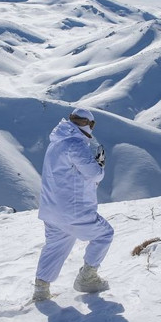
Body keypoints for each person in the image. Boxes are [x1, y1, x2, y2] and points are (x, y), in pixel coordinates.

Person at [33, 108, 113, 302]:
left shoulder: (55, 144)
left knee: (55, 246)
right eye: (91, 125)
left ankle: (41, 289)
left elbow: (70, 174)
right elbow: (93, 174)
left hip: (51, 210)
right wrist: (100, 165)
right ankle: (87, 277)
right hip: (73, 210)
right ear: (87, 124)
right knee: (104, 234)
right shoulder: (75, 144)